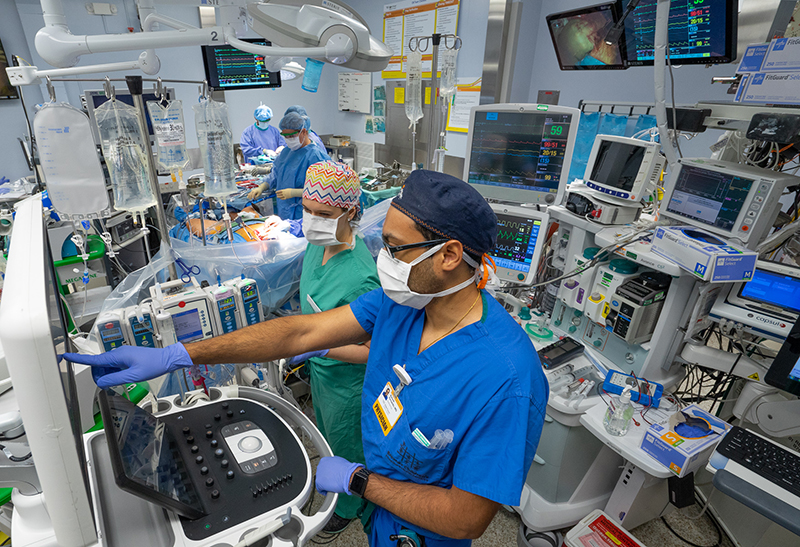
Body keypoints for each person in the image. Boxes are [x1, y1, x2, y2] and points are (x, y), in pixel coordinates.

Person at [65, 170, 548, 547]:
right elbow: (301, 330)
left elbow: (465, 519)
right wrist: (176, 354)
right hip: (384, 515)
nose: (384, 258)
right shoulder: (403, 304)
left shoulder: (505, 378)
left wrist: (359, 481)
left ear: (449, 256)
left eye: (396, 250)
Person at [294, 161, 380, 533]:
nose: (312, 220)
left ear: (350, 212)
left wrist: (322, 349)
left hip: (347, 386)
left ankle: (346, 507)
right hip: (323, 381)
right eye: (307, 210)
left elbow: (372, 351)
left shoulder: (360, 277)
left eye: (324, 214)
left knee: (347, 444)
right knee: (326, 436)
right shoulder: (318, 246)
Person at [246, 112, 329, 220]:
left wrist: (294, 192)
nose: (289, 139)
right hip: (285, 212)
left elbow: (325, 189)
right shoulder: (286, 153)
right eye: (285, 136)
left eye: (292, 136)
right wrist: (262, 187)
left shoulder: (317, 156)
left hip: (309, 214)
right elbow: (275, 175)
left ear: (303, 132)